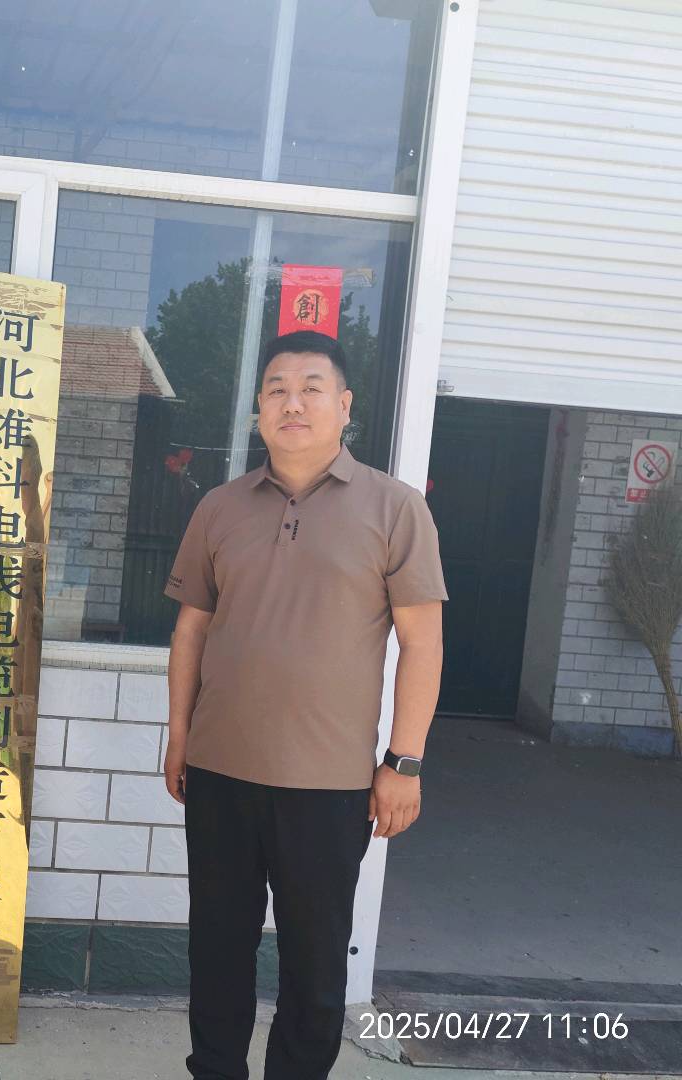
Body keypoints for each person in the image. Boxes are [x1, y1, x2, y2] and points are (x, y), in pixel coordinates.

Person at [163, 331, 446, 1079]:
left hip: (330, 784)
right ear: (258, 409)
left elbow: (422, 642)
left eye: (311, 388)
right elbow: (191, 629)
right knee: (216, 950)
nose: (293, 403)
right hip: (219, 771)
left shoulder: (395, 508)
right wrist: (179, 735)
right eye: (277, 390)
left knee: (315, 968)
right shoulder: (220, 508)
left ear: (344, 406)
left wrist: (404, 761)